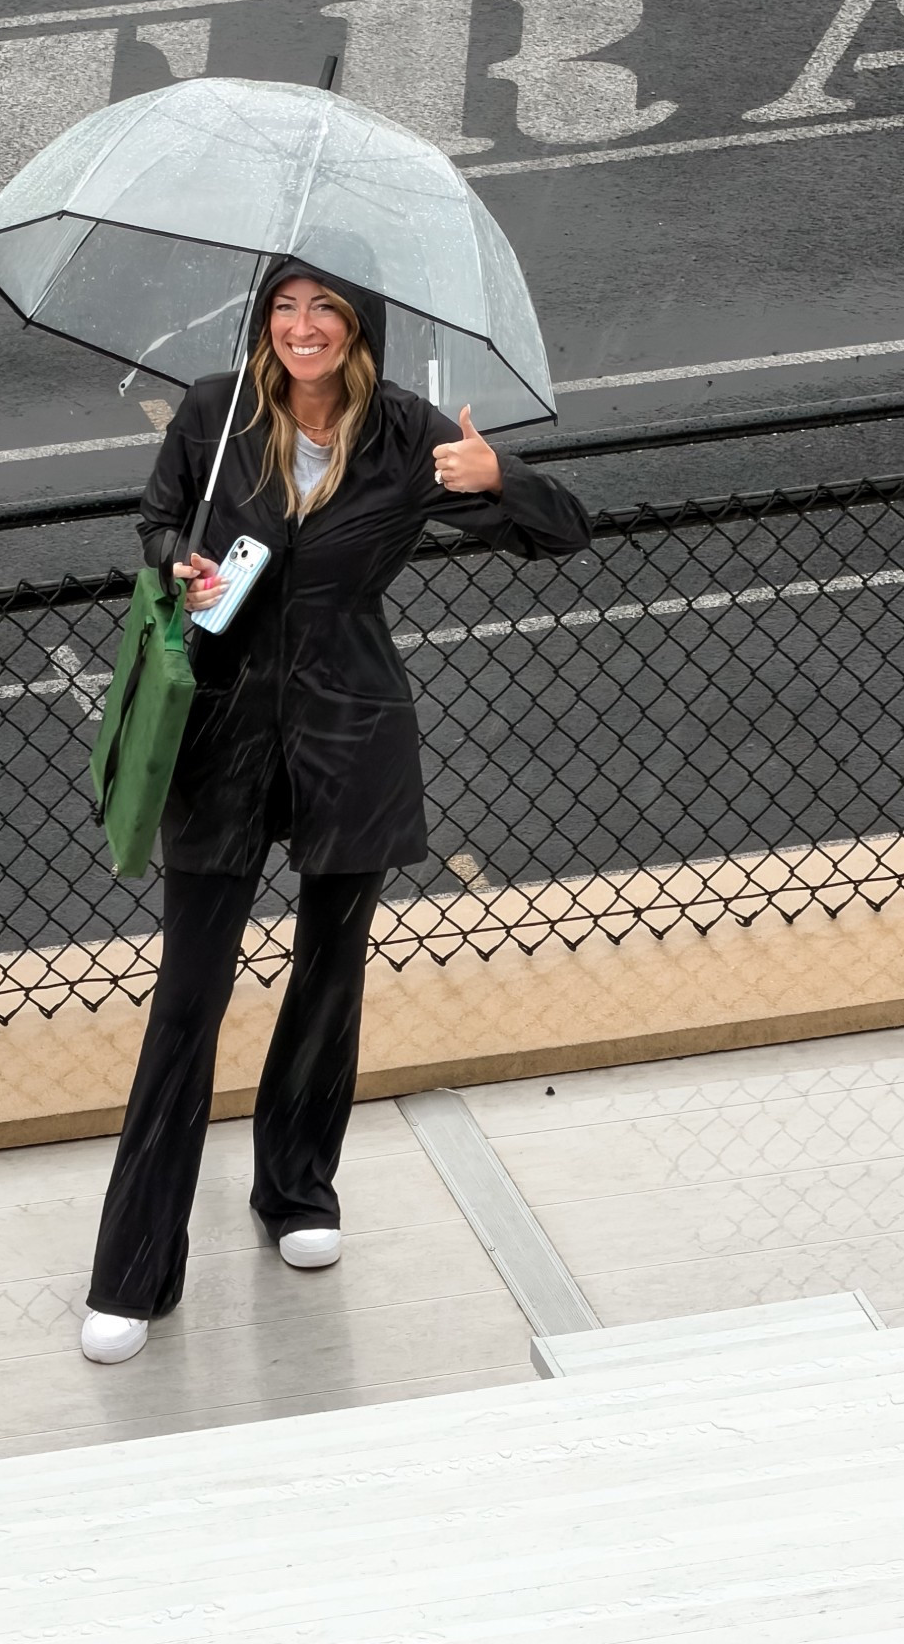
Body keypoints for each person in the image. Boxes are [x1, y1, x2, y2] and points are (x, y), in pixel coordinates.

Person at [80, 259, 592, 1363]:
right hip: (219, 737)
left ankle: (297, 1188)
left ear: (360, 330)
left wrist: (500, 477)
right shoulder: (217, 412)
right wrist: (185, 568)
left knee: (330, 972)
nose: (301, 328)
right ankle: (133, 1267)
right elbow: (157, 521)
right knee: (189, 996)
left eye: (325, 310)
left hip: (349, 730)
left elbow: (566, 533)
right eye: (284, 307)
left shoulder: (410, 437)